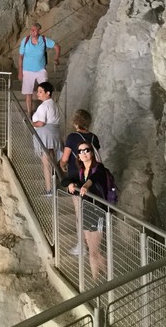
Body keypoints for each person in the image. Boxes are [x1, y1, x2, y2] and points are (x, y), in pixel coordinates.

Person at [59, 109, 101, 256]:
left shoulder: (72, 137)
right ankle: (92, 244)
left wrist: (62, 165)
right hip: (91, 179)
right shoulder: (94, 138)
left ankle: (82, 246)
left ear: (75, 121)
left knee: (80, 213)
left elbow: (65, 158)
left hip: (76, 180)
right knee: (89, 210)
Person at [66, 145, 110, 282]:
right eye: (80, 151)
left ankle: (100, 280)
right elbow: (66, 180)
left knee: (94, 251)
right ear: (78, 156)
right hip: (86, 210)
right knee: (93, 250)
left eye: (87, 150)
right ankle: (102, 278)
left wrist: (85, 186)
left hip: (98, 211)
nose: (83, 153)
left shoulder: (99, 168)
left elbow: (95, 178)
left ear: (91, 153)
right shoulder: (80, 171)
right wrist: (71, 184)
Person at [18, 23, 60, 116]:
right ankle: (29, 113)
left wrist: (56, 58)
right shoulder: (25, 40)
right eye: (31, 29)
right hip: (27, 70)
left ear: (39, 31)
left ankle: (43, 112)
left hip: (40, 70)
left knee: (45, 90)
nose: (32, 31)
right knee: (28, 92)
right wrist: (20, 71)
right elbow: (20, 56)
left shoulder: (44, 40)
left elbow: (57, 47)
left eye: (34, 30)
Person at [31, 82, 61, 196]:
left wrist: (31, 124)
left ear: (48, 93)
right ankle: (53, 187)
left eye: (40, 91)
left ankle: (49, 189)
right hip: (53, 134)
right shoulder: (54, 104)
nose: (37, 94)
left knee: (46, 163)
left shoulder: (44, 106)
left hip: (45, 135)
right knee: (51, 161)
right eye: (37, 91)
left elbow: (41, 123)